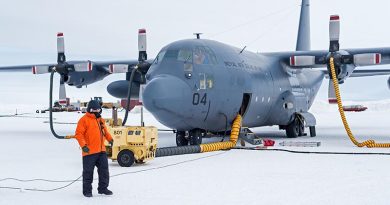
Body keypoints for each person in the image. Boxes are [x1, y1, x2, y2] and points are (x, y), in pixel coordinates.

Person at [74, 100, 114, 197]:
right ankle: (87, 191)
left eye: (97, 109)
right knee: (88, 172)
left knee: (104, 171)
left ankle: (103, 188)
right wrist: (84, 146)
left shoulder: (101, 120)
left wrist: (110, 139)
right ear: (89, 109)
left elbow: (105, 131)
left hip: (101, 150)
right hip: (89, 152)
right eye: (93, 109)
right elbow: (79, 134)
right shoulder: (83, 120)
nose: (96, 111)